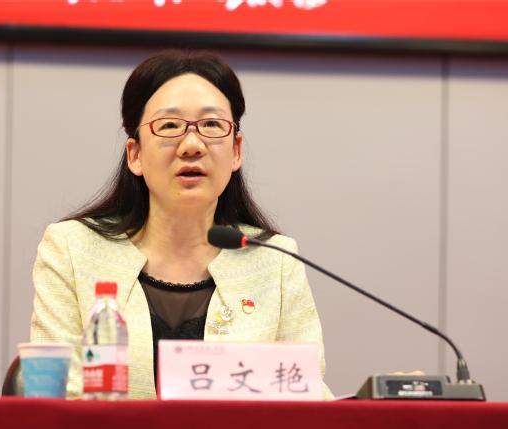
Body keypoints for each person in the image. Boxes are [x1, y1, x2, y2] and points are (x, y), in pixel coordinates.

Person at [30, 50, 332, 399]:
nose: (191, 145)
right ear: (135, 155)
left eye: (211, 125)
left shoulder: (275, 258)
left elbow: (307, 397)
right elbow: (53, 395)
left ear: (236, 151)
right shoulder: (72, 249)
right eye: (170, 126)